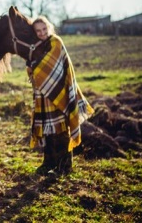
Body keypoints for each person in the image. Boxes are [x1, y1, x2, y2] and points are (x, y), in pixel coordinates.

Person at [27, 16, 94, 175]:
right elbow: (31, 64)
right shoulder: (38, 45)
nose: (42, 33)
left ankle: (65, 167)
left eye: (44, 29)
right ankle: (48, 163)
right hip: (44, 95)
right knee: (48, 129)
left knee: (61, 130)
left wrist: (33, 69)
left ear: (49, 27)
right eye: (38, 31)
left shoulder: (56, 42)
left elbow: (46, 67)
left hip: (59, 92)